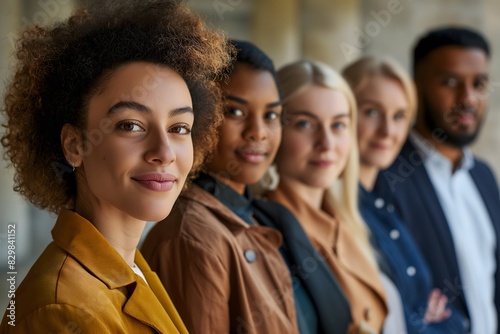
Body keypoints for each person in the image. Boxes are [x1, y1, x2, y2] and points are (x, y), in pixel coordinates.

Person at [0, 0, 231, 332]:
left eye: (179, 128)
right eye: (131, 125)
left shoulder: (131, 268)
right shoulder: (63, 311)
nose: (164, 152)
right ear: (74, 145)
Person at [142, 40, 351, 334]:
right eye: (235, 112)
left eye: (271, 115)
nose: (258, 132)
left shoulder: (258, 215)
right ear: (197, 117)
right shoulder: (193, 237)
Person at [374, 26, 500, 334]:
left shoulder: (483, 176)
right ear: (415, 87)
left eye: (479, 84)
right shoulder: (385, 176)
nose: (467, 98)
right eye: (450, 82)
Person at [343, 55, 468, 333]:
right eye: (372, 112)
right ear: (344, 111)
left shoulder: (384, 203)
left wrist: (437, 320)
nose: (388, 131)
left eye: (399, 116)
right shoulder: (338, 209)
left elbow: (440, 316)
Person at [265, 59, 387, 333]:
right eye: (306, 125)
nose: (327, 144)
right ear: (275, 130)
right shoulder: (268, 232)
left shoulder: (346, 220)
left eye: (339, 125)